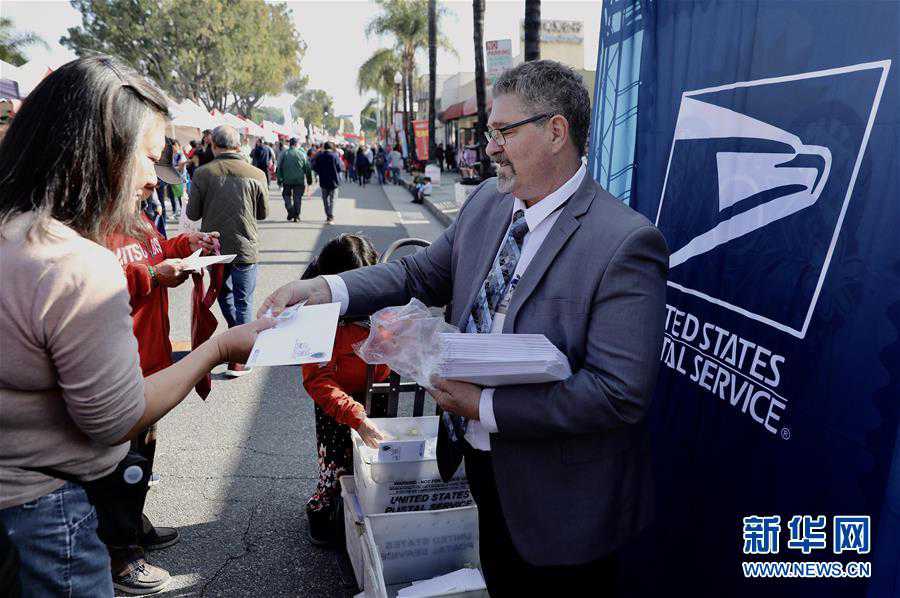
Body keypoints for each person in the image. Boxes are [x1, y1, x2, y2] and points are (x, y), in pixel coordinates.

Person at [259, 60, 668, 596]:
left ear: (555, 132)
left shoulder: (626, 243)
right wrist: (328, 290)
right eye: (489, 132)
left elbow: (618, 394)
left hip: (562, 503)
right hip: (482, 471)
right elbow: (418, 272)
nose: (490, 146)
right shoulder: (487, 204)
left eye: (503, 131)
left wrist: (484, 407)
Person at [0, 55, 273, 598]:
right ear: (98, 151)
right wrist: (218, 348)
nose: (154, 177)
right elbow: (113, 419)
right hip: (44, 515)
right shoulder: (73, 262)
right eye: (148, 157)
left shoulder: (17, 231)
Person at [105, 204, 219, 593]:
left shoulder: (136, 215)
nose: (153, 182)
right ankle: (120, 555)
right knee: (120, 459)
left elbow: (157, 252)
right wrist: (154, 273)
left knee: (145, 448)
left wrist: (186, 245)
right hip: (119, 363)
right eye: (147, 169)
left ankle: (132, 525)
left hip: (151, 355)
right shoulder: (89, 220)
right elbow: (93, 283)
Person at [299, 234, 389, 545]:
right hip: (334, 402)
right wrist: (354, 413)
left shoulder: (382, 303)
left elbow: (396, 354)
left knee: (375, 463)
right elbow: (317, 379)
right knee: (335, 466)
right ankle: (323, 512)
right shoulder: (313, 313)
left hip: (375, 394)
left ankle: (367, 514)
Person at [187, 124, 269, 378]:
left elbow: (193, 213)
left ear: (213, 145)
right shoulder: (256, 174)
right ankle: (241, 354)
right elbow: (262, 213)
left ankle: (239, 349)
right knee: (244, 301)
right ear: (239, 144)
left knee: (224, 296)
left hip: (216, 248)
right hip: (246, 246)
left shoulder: (203, 173)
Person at [277, 137, 313, 223]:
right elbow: (307, 168)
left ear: (290, 144)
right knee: (297, 198)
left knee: (286, 195)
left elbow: (279, 168)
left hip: (287, 180)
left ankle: (290, 209)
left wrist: (279, 180)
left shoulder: (284, 154)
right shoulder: (302, 154)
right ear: (297, 144)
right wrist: (309, 180)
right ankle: (296, 215)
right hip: (299, 181)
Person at [312, 141, 342, 225]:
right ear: (332, 147)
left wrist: (320, 173)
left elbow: (314, 167)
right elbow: (339, 168)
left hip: (323, 181)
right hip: (334, 181)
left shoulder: (319, 156)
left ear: (324, 147)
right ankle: (330, 216)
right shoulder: (335, 156)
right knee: (332, 200)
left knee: (325, 199)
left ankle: (328, 216)